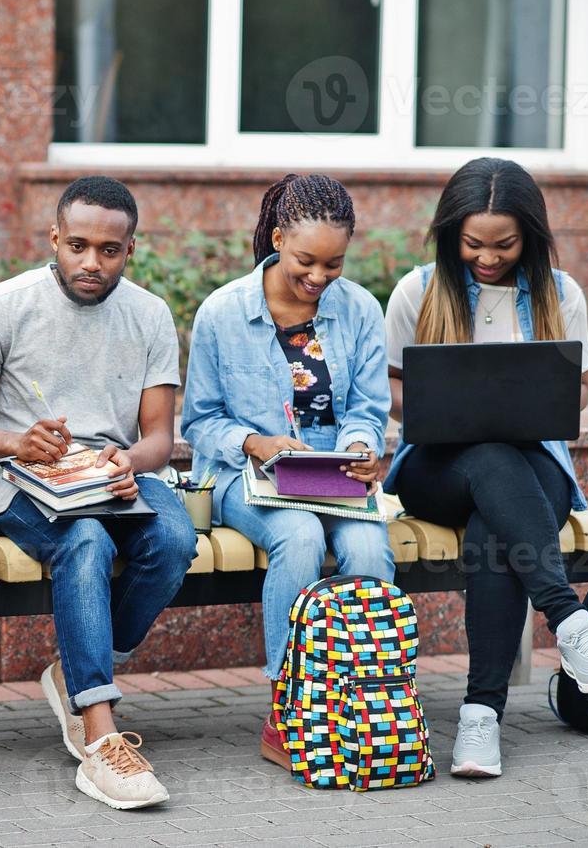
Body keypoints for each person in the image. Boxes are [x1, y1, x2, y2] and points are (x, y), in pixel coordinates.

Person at [0, 176, 197, 811]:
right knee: (83, 541)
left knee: (174, 538)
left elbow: (159, 439)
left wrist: (128, 457)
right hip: (22, 481)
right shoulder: (7, 305)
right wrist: (17, 443)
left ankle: (80, 668)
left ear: (129, 249)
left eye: (109, 250)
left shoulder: (149, 314)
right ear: (53, 237)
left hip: (113, 476)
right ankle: (100, 733)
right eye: (77, 245)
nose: (91, 262)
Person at [384, 157, 588, 778]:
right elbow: (390, 389)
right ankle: (568, 619)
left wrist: (535, 399)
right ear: (451, 231)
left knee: (494, 524)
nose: (488, 257)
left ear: (529, 236)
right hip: (436, 470)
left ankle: (481, 720)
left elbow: (579, 391)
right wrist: (441, 403)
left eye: (504, 244)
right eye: (473, 243)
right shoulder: (418, 288)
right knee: (486, 456)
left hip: (536, 469)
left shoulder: (561, 292)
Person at [181, 173, 394, 769]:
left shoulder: (358, 310)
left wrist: (357, 448)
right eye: (306, 260)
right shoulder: (224, 312)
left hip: (333, 476)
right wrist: (257, 442)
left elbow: (369, 409)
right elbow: (198, 422)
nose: (319, 277)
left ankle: (365, 699)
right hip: (244, 474)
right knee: (299, 536)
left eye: (334, 263)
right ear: (277, 238)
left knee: (370, 552)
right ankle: (291, 708)